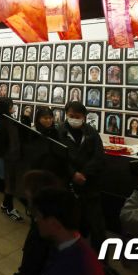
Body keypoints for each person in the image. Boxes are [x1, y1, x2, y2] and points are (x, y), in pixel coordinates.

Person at [58, 102, 106, 253]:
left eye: (77, 117)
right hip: (68, 185)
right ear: (66, 114)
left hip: (90, 184)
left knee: (97, 224)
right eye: (71, 116)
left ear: (84, 117)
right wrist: (72, 174)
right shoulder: (59, 131)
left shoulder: (91, 132)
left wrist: (84, 174)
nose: (74, 119)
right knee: (69, 222)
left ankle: (100, 259)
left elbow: (99, 156)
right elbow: (58, 156)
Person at [32, 188, 105, 275]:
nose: (36, 220)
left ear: (53, 224)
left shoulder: (68, 269)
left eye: (38, 216)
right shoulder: (78, 249)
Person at [13, 170, 65, 275]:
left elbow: (30, 269)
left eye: (27, 192)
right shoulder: (56, 219)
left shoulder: (41, 231)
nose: (25, 194)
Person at [0, 98, 24, 221]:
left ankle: (5, 204)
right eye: (11, 106)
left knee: (11, 183)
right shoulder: (0, 122)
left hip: (13, 156)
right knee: (10, 184)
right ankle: (9, 209)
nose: (13, 108)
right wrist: (8, 155)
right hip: (7, 158)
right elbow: (2, 143)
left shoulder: (9, 119)